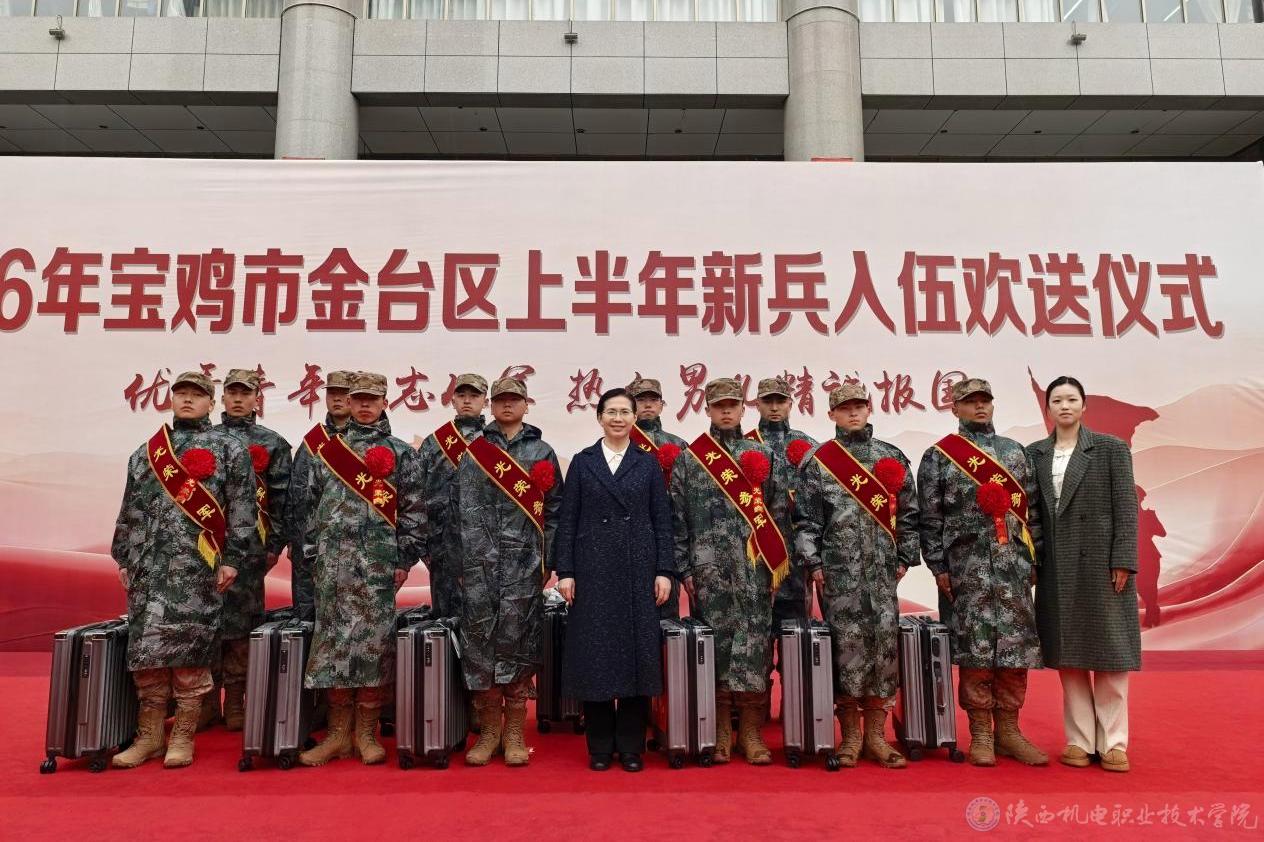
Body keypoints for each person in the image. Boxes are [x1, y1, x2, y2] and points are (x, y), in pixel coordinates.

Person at [110, 371, 255, 769]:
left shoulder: (229, 448)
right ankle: (150, 737)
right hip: (149, 570)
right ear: (171, 400)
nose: (188, 400)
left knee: (191, 651)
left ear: (211, 402)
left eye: (197, 394)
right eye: (181, 394)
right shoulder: (147, 453)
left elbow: (243, 511)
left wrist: (233, 559)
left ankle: (183, 737)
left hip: (198, 570)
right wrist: (124, 557)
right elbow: (130, 509)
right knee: (147, 656)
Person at [916, 377, 1047, 767]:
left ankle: (1009, 732)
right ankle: (981, 735)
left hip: (1012, 569)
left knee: (1014, 650)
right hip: (966, 572)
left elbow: (1033, 513)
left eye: (984, 400)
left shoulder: (1015, 452)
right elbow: (930, 519)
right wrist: (938, 566)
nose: (979, 406)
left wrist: (1034, 559)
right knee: (975, 651)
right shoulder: (939, 457)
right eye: (970, 401)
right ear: (954, 408)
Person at [298, 372, 426, 767]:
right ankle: (337, 735)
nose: (365, 405)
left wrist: (403, 561)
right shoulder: (327, 452)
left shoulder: (401, 453)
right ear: (349, 403)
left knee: (373, 648)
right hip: (332, 569)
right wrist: (314, 557)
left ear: (385, 401)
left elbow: (414, 513)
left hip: (376, 569)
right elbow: (310, 510)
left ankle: (366, 734)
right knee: (333, 647)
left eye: (372, 398)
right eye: (358, 399)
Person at [794, 383, 919, 768]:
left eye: (859, 406)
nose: (852, 413)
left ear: (869, 409)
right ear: (831, 414)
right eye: (844, 407)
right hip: (838, 577)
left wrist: (903, 559)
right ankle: (849, 737)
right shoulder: (819, 461)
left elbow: (909, 516)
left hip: (882, 576)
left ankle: (876, 737)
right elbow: (805, 521)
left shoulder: (891, 457)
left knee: (883, 650)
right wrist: (815, 565)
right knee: (845, 652)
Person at [553, 388, 675, 772]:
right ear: (600, 418)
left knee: (637, 658)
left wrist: (664, 570)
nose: (618, 418)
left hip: (638, 569)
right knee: (597, 658)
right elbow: (568, 520)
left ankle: (632, 747)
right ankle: (600, 747)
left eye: (625, 412)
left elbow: (662, 521)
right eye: (611, 412)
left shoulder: (647, 463)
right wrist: (566, 572)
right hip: (592, 570)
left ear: (635, 418)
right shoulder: (583, 462)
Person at [1026, 376, 1140, 773]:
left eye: (1072, 399)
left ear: (1084, 405)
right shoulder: (1035, 454)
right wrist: (1034, 560)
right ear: (1048, 408)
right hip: (1057, 567)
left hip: (1102, 565)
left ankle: (1114, 743)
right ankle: (1079, 740)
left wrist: (1123, 559)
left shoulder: (1110, 448)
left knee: (1110, 654)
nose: (1065, 406)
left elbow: (1126, 508)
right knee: (1069, 656)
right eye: (1057, 400)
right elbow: (1032, 514)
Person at [450, 376, 564, 767]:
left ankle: (514, 732)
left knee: (520, 646)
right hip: (479, 567)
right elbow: (455, 510)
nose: (507, 405)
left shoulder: (542, 452)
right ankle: (489, 733)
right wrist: (459, 563)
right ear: (491, 405)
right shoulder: (474, 451)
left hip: (523, 567)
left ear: (526, 404)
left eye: (515, 399)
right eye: (501, 400)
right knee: (481, 649)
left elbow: (556, 512)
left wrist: (546, 561)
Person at [670, 377, 783, 765]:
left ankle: (750, 732)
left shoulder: (761, 454)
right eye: (719, 406)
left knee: (754, 648)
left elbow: (779, 514)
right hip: (709, 571)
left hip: (754, 569)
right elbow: (677, 520)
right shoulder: (691, 459)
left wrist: (775, 566)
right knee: (714, 649)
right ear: (708, 409)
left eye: (732, 405)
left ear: (742, 408)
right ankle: (718, 730)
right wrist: (685, 569)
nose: (726, 411)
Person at [211, 368, 292, 732]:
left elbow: (282, 501)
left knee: (243, 626)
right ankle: (206, 701)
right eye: (233, 393)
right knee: (207, 624)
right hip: (205, 549)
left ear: (258, 399)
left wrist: (274, 546)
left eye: (246, 393)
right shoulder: (206, 439)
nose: (239, 399)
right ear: (222, 398)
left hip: (250, 552)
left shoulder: (272, 443)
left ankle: (236, 701)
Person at [747, 376, 817, 711]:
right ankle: (755, 711)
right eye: (768, 401)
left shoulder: (808, 445)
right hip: (755, 558)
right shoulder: (746, 446)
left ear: (791, 403)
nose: (774, 407)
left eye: (780, 401)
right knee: (756, 639)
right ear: (757, 404)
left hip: (796, 560)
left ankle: (796, 711)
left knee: (795, 638)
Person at [416, 373, 488, 619]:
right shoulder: (434, 443)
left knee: (483, 619)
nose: (467, 400)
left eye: (474, 395)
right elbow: (417, 495)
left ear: (485, 401)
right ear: (453, 400)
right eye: (462, 395)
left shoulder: (495, 442)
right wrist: (424, 546)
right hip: (441, 548)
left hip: (485, 549)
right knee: (444, 620)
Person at [287, 369, 354, 621]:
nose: (337, 399)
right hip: (314, 545)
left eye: (344, 393)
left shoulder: (368, 441)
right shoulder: (313, 442)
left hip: (355, 545)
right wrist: (295, 540)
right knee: (310, 615)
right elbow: (297, 495)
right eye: (332, 393)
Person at [626, 376, 689, 619]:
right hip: (629, 536)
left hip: (668, 539)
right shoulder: (619, 443)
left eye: (653, 399)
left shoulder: (678, 445)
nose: (647, 404)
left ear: (662, 405)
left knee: (666, 615)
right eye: (641, 399)